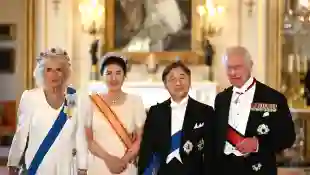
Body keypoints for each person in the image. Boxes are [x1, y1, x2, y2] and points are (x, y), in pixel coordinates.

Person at [213, 46, 296, 174]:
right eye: (229, 68)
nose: (233, 73)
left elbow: (287, 137)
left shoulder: (273, 98)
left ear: (250, 65)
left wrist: (257, 144)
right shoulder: (221, 99)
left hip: (259, 169)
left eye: (238, 67)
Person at [7, 48, 88, 175]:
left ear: (65, 72)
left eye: (58, 70)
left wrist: (82, 167)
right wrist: (13, 164)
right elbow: (21, 135)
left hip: (65, 168)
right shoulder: (30, 98)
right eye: (49, 70)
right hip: (38, 167)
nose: (54, 75)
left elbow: (79, 134)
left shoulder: (73, 98)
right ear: (42, 73)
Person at [138, 61, 214, 175]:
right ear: (165, 85)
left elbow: (211, 151)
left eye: (182, 78)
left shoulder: (205, 111)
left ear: (190, 81)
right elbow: (147, 149)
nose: (178, 83)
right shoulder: (155, 112)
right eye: (172, 79)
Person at [80, 53, 146, 175]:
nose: (113, 78)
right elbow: (88, 140)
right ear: (102, 76)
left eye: (118, 73)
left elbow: (141, 138)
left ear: (124, 75)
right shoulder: (91, 102)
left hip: (126, 167)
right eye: (109, 73)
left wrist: (124, 161)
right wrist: (109, 159)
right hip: (99, 165)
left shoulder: (135, 101)